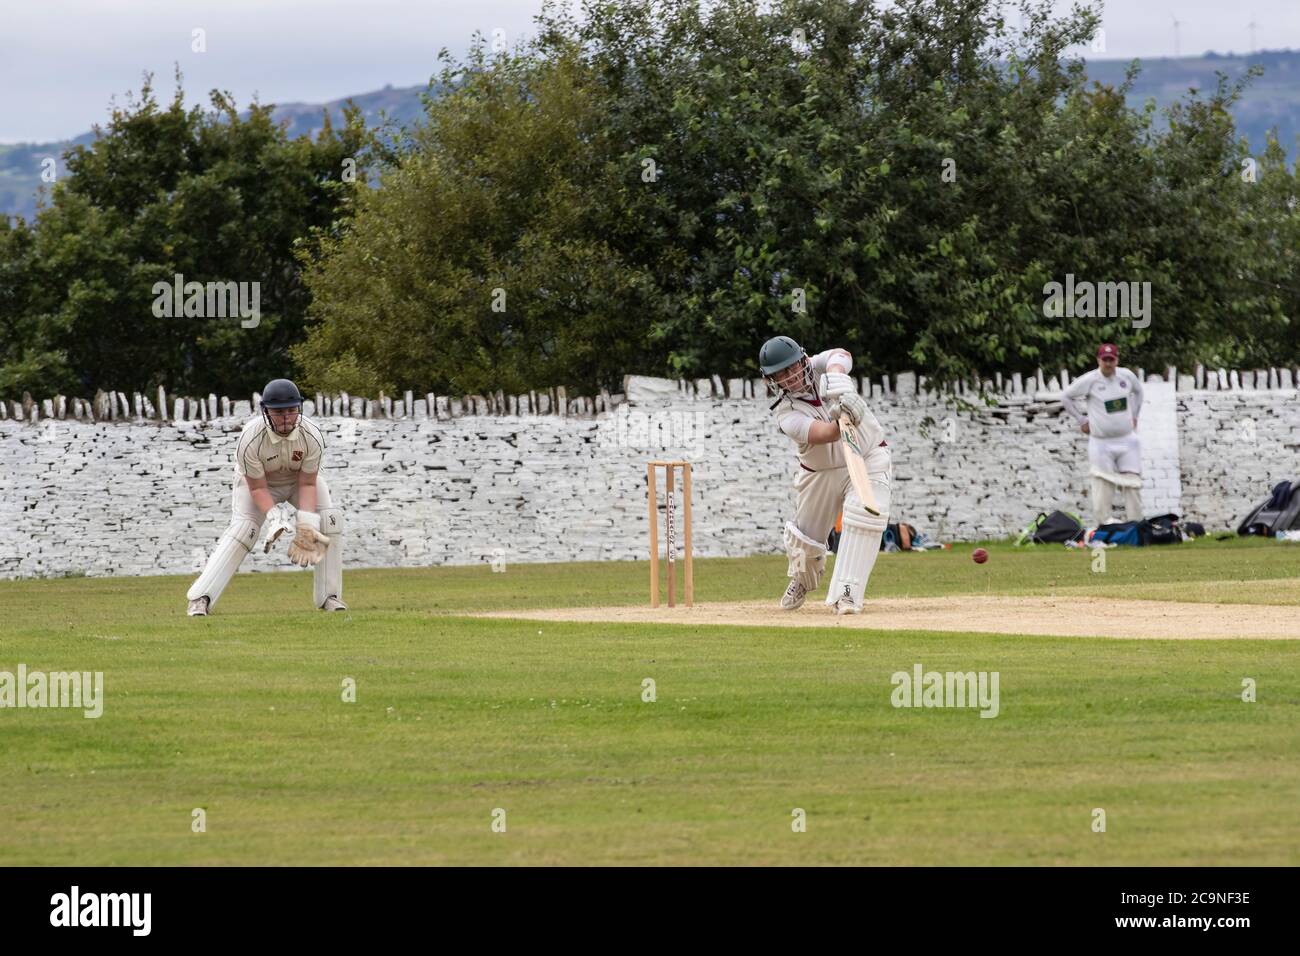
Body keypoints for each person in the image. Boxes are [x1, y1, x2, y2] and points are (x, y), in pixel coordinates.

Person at [186, 378, 346, 616]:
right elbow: (258, 488)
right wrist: (274, 518)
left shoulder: (312, 435)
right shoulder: (250, 439)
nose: (286, 418)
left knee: (329, 520)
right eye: (279, 412)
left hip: (297, 481)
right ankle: (200, 598)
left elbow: (308, 482)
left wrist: (307, 525)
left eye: (291, 410)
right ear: (266, 411)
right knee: (244, 530)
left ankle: (330, 597)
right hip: (259, 485)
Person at [759, 335, 891, 614]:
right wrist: (843, 418)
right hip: (820, 473)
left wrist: (836, 377)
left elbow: (842, 354)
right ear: (772, 381)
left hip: (866, 455)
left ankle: (847, 594)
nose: (790, 377)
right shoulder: (786, 415)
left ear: (802, 360)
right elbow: (825, 434)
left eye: (792, 367)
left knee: (864, 516)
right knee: (805, 543)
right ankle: (802, 580)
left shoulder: (818, 365)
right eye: (781, 374)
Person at [1061, 343, 1145, 526]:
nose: (1108, 363)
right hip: (1101, 442)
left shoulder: (1126, 376)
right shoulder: (1090, 380)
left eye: (1111, 359)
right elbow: (1066, 396)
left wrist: (1135, 416)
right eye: (1105, 360)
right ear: (1098, 360)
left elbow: (1138, 392)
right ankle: (1104, 526)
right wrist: (1081, 420)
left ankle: (1136, 527)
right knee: (1102, 484)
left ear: (1117, 360)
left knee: (1132, 484)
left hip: (1127, 440)